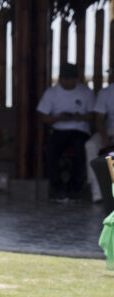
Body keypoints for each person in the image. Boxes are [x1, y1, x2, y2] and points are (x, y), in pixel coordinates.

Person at [37, 63, 95, 202]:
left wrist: (80, 117)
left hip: (80, 130)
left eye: (72, 79)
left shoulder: (85, 92)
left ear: (77, 79)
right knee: (51, 150)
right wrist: (58, 118)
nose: (69, 82)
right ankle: (57, 187)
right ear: (60, 78)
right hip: (59, 129)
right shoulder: (51, 93)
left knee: (80, 150)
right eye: (66, 79)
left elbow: (94, 115)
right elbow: (43, 116)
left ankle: (75, 186)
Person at [85, 68, 114, 202]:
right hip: (109, 130)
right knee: (90, 145)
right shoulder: (105, 93)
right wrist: (104, 136)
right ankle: (97, 193)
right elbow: (100, 119)